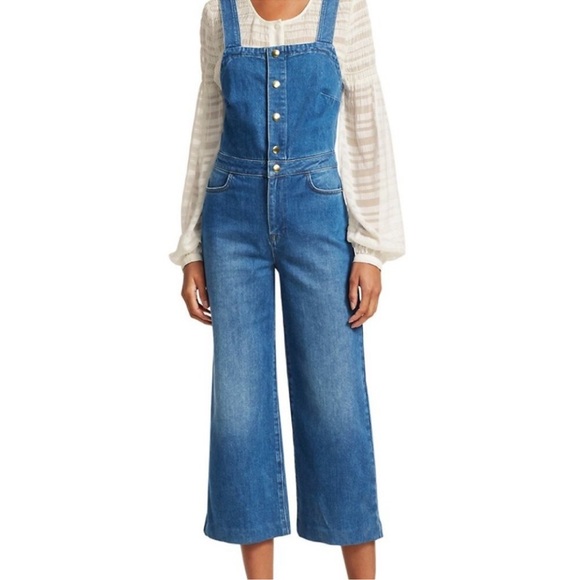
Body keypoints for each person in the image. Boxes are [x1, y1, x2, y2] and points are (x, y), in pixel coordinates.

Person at [168, 0, 405, 577]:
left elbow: (366, 121)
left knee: (335, 399)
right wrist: (191, 245)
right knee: (240, 405)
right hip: (231, 220)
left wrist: (370, 248)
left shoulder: (343, 10)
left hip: (318, 217)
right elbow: (208, 120)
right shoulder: (219, 12)